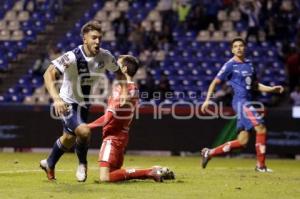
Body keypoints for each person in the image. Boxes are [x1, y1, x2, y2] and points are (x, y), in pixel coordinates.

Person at [39, 20, 124, 182]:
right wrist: (56, 99)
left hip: (84, 105)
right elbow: (48, 74)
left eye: (99, 38)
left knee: (69, 139)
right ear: (85, 39)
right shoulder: (71, 57)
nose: (97, 41)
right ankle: (82, 164)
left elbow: (119, 73)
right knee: (84, 132)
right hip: (67, 103)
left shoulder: (105, 56)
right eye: (93, 38)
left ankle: (49, 163)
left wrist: (123, 92)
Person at [200, 38, 284, 172]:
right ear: (232, 50)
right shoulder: (229, 65)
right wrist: (207, 100)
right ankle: (260, 166)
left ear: (245, 48)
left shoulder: (250, 64)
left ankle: (209, 153)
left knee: (242, 141)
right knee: (261, 128)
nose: (238, 48)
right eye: (235, 46)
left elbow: (255, 85)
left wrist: (272, 89)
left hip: (247, 101)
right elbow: (214, 83)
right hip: (240, 102)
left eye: (241, 46)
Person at [88, 55, 175, 182]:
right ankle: (155, 171)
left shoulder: (123, 89)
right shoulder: (133, 88)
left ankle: (149, 172)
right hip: (121, 137)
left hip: (112, 138)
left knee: (105, 177)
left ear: (123, 68)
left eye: (117, 64)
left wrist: (87, 126)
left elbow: (109, 116)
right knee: (114, 174)